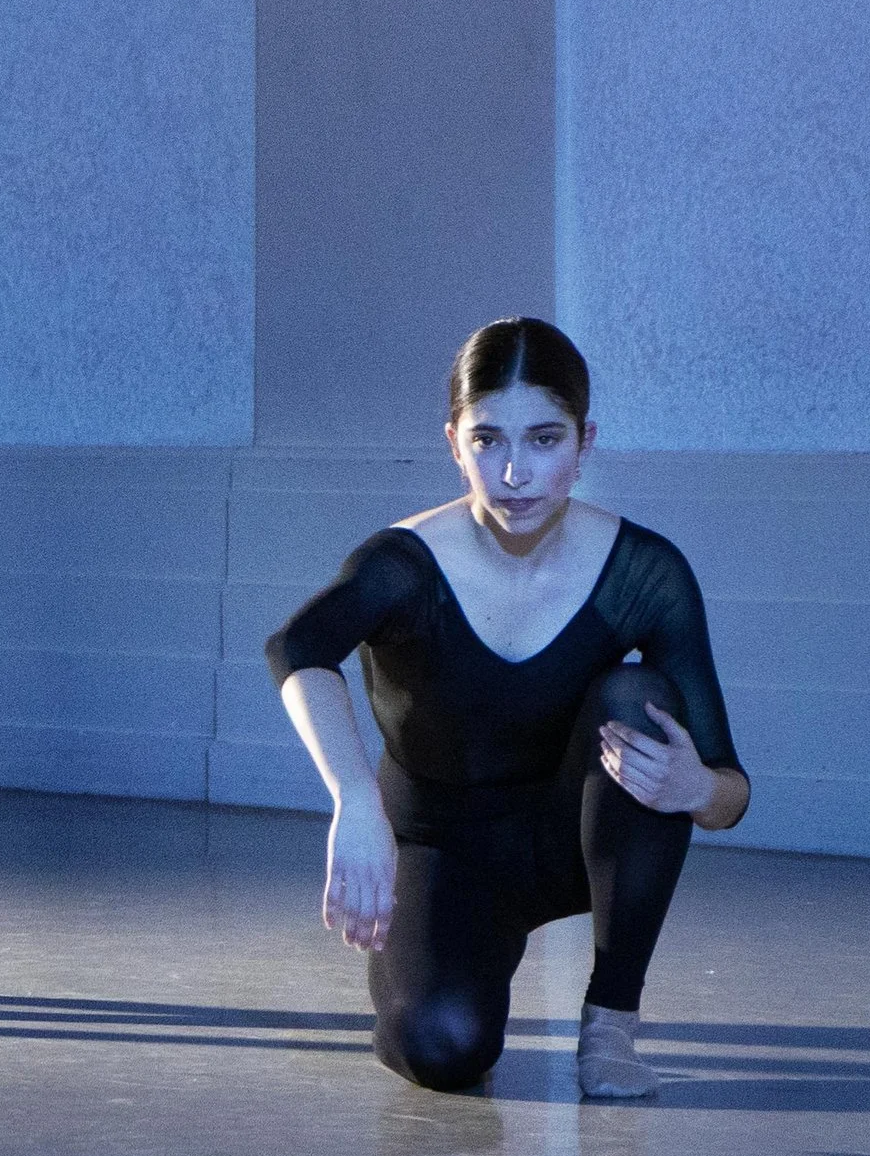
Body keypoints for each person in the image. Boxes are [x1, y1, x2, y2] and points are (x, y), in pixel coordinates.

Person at [267, 317, 750, 1097]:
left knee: (641, 701)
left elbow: (730, 788)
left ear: (584, 441)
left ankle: (612, 1023)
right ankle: (441, 966)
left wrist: (695, 789)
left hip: (568, 838)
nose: (516, 472)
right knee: (444, 1044)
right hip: (437, 849)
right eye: (488, 440)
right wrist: (355, 799)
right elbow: (297, 646)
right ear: (453, 441)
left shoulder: (645, 571)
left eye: (544, 439)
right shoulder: (405, 564)